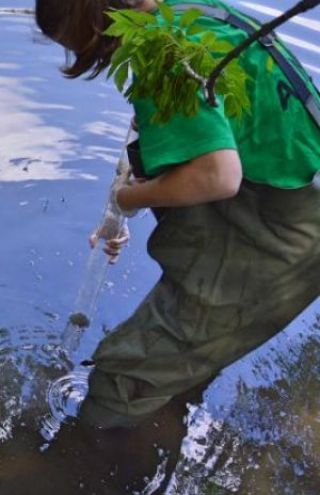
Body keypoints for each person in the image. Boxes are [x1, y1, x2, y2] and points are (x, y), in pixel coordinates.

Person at [34, 0, 320, 428]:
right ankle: (167, 421)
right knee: (182, 363)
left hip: (284, 236)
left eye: (81, 48)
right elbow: (171, 136)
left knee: (123, 379)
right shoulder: (184, 15)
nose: (86, 60)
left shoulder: (163, 57)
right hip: (293, 194)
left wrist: (132, 200)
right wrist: (119, 216)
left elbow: (219, 175)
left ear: (96, 27)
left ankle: (78, 469)